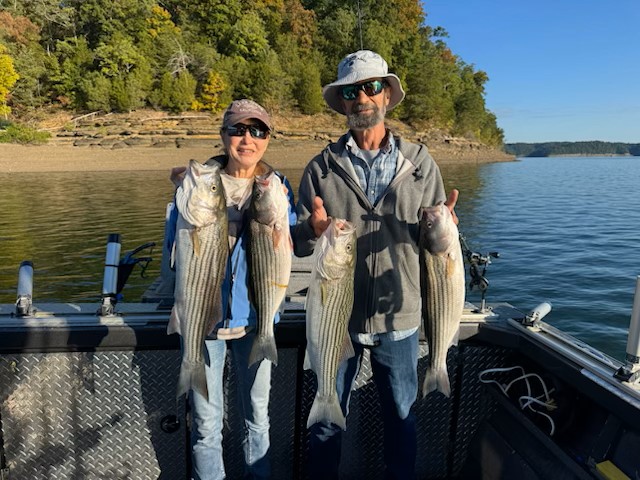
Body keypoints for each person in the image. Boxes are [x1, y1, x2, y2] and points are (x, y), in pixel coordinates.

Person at [293, 50, 458, 479]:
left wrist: (444, 228)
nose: (362, 98)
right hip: (337, 320)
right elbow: (296, 244)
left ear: (387, 95)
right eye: (351, 91)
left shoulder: (420, 163)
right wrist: (311, 228)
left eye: (371, 87)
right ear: (342, 102)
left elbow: (434, 243)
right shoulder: (321, 168)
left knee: (402, 416)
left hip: (399, 318)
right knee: (326, 422)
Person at [170, 99, 296, 480]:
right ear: (224, 135)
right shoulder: (197, 185)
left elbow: (291, 243)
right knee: (206, 425)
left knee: (257, 418)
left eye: (258, 131)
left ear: (268, 139)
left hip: (255, 322)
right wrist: (181, 191)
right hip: (203, 323)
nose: (247, 139)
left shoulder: (277, 188)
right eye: (238, 129)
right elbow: (173, 250)